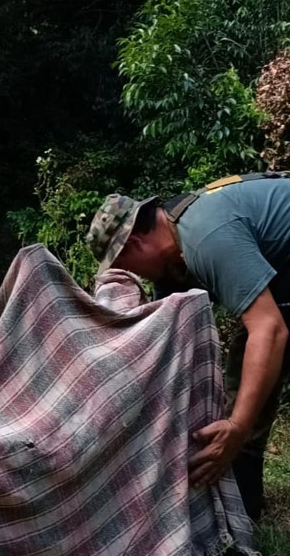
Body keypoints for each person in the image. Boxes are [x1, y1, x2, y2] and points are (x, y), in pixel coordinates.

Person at [86, 172, 290, 520]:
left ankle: (241, 486)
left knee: (257, 352)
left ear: (133, 244)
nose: (136, 278)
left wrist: (237, 427)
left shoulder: (207, 237)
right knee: (245, 368)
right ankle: (244, 503)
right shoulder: (178, 248)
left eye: (125, 268)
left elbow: (269, 329)